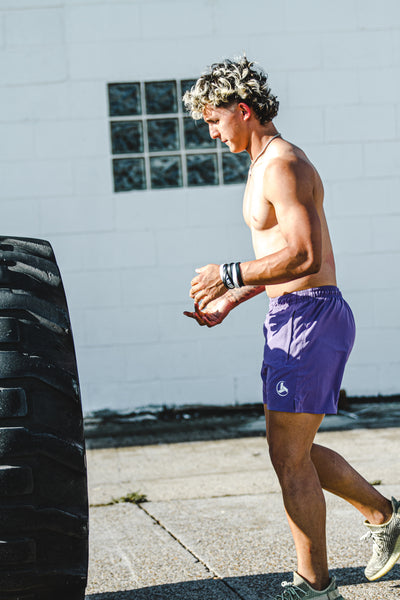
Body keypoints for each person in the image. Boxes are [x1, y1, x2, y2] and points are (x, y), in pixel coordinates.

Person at [182, 56, 400, 600]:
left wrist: (226, 271)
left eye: (214, 120)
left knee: (288, 457)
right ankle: (385, 516)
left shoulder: (283, 165)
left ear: (244, 109)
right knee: (292, 452)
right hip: (291, 317)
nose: (211, 133)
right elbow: (280, 257)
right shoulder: (263, 167)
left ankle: (315, 583)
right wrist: (232, 298)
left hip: (312, 317)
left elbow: (306, 255)